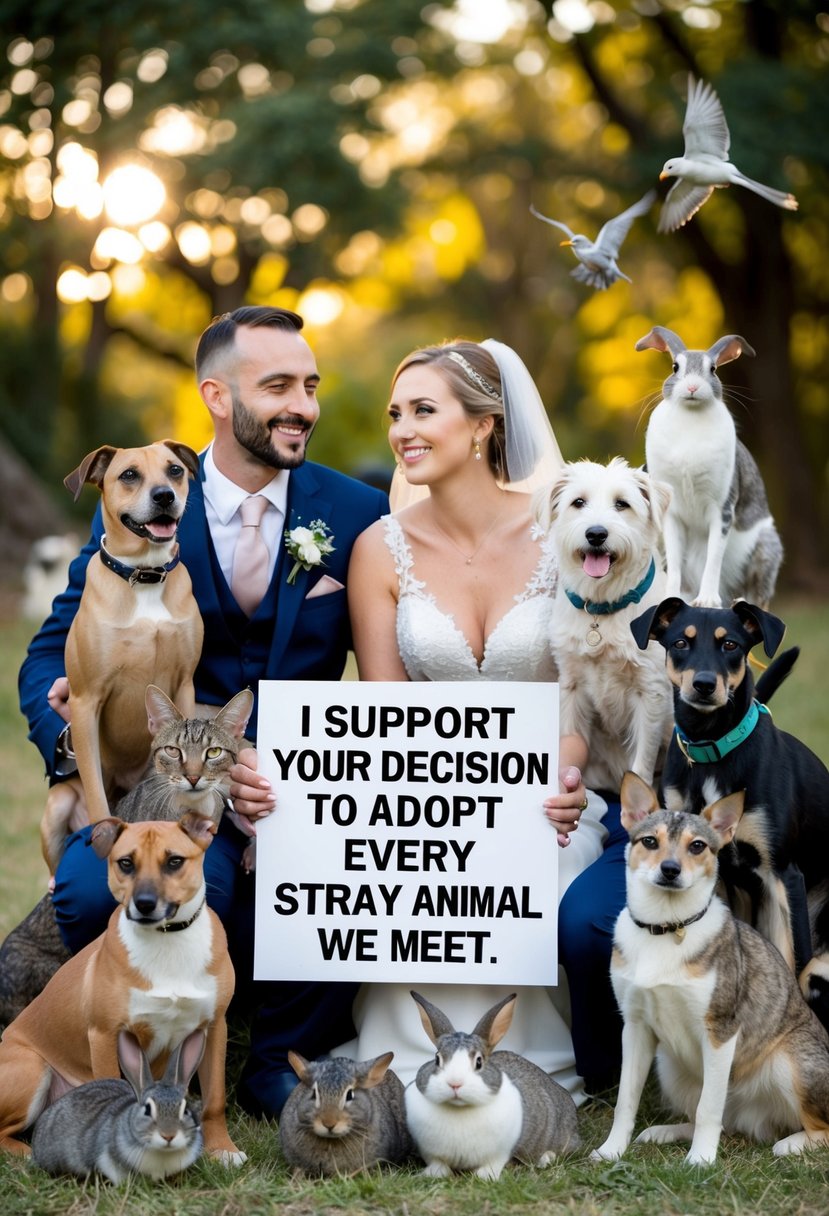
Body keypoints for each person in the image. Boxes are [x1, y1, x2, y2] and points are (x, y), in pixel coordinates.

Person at [18, 305, 389, 1119]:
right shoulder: (131, 503)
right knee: (88, 891)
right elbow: (50, 657)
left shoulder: (357, 510)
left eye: (311, 387)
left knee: (345, 888)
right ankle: (134, 1056)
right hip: (174, 793)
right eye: (279, 386)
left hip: (304, 781)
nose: (303, 405)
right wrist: (69, 748)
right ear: (217, 397)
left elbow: (388, 670)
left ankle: (270, 1068)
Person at [335, 337, 620, 1099]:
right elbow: (383, 707)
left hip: (545, 787)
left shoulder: (563, 534)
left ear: (484, 425)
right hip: (423, 791)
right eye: (396, 414)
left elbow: (581, 687)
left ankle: (545, 1057)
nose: (402, 431)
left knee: (551, 858)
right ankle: (410, 1056)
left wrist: (561, 773)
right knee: (411, 872)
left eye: (424, 411)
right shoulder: (378, 550)